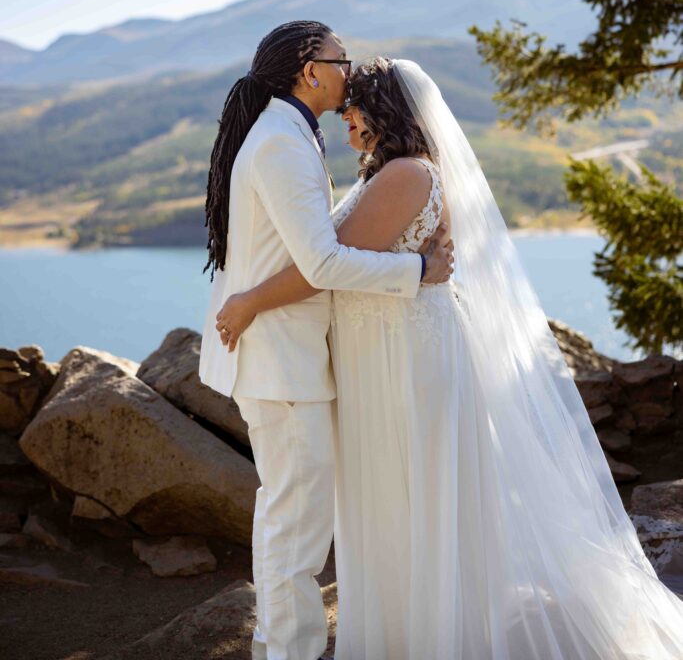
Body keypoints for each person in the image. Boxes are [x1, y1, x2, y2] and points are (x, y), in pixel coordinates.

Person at [217, 56, 683, 659]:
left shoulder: (406, 175)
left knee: (409, 506)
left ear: (383, 109)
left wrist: (247, 302)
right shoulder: (393, 174)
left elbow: (321, 271)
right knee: (399, 508)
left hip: (401, 365)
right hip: (387, 356)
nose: (345, 118)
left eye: (354, 106)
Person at [198, 25, 453, 660]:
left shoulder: (286, 135)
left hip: (288, 358)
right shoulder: (282, 143)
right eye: (341, 61)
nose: (349, 73)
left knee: (290, 523)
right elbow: (322, 265)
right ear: (312, 71)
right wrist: (416, 272)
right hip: (281, 361)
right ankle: (288, 652)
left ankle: (274, 646)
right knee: (298, 530)